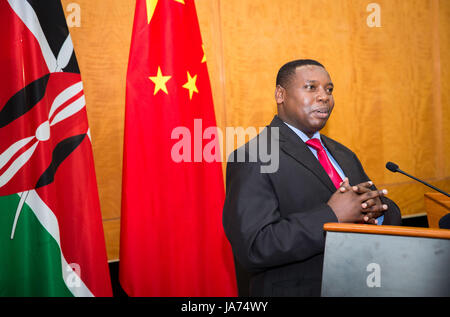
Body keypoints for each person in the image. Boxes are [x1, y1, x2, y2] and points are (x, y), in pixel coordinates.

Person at [222, 59, 402, 297]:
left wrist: (378, 212)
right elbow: (255, 247)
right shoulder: (254, 156)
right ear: (280, 95)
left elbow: (379, 209)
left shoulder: (343, 154)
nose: (324, 96)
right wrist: (331, 216)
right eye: (311, 87)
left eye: (329, 90)